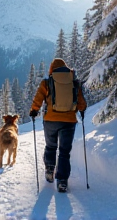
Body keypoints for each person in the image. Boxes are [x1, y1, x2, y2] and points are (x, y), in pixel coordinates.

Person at [29, 58, 87, 192]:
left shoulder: (47, 82)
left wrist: (34, 111)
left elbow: (38, 98)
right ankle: (62, 181)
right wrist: (82, 110)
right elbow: (81, 102)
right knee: (64, 151)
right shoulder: (73, 81)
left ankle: (50, 168)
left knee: (51, 146)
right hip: (69, 121)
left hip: (50, 120)